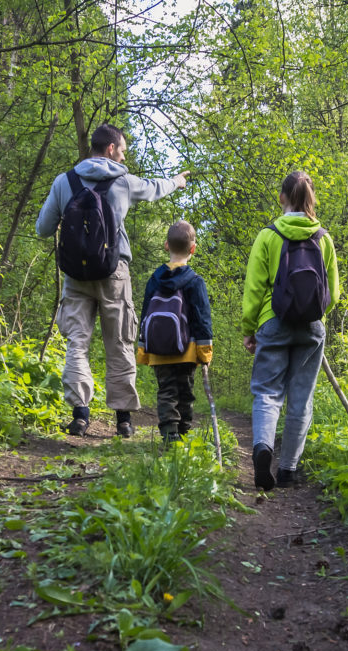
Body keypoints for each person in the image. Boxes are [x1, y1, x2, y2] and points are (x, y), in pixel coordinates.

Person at [36, 123, 189, 437]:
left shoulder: (64, 182)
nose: (123, 157)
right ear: (110, 148)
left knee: (76, 343)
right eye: (122, 151)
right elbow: (155, 188)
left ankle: (80, 413)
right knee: (119, 343)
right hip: (114, 271)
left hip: (76, 275)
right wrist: (176, 181)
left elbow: (42, 228)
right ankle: (123, 420)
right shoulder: (124, 182)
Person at [241, 171, 339, 490]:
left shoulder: (268, 236)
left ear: (281, 198)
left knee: (268, 392)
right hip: (311, 326)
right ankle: (287, 470)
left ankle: (263, 448)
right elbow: (333, 293)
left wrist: (249, 328)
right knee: (301, 397)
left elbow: (255, 289)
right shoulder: (323, 239)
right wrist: (314, 314)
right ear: (312, 199)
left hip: (273, 321)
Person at [136, 220, 213, 443]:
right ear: (193, 249)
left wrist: (143, 348)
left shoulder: (155, 279)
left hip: (159, 348)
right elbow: (201, 318)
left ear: (166, 245)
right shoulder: (195, 281)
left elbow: (146, 314)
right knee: (185, 392)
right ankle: (184, 432)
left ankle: (169, 433)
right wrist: (204, 351)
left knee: (167, 391)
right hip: (187, 350)